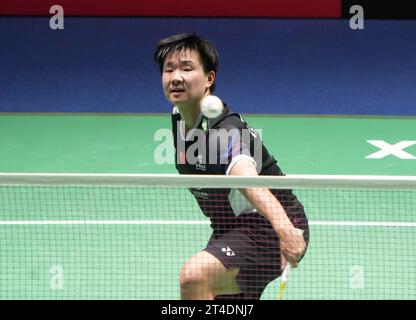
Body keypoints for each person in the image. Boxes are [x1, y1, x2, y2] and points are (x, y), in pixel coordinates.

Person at [154, 33, 309, 300]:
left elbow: (245, 177)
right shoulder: (179, 115)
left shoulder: (224, 131)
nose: (176, 77)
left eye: (187, 68)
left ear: (209, 78)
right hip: (229, 227)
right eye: (169, 69)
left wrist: (285, 230)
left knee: (194, 277)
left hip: (269, 228)